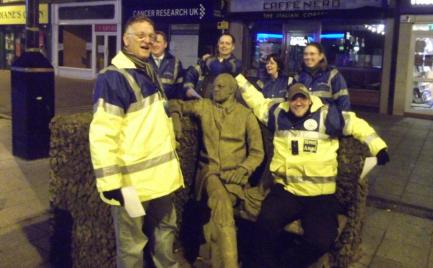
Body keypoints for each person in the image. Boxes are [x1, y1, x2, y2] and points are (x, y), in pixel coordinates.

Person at [234, 74, 389, 268]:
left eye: (302, 98)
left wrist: (378, 147)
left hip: (320, 196)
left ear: (309, 99)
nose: (298, 103)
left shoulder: (327, 115)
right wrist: (238, 77)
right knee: (264, 225)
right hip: (287, 191)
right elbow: (257, 102)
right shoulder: (277, 114)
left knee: (321, 240)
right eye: (294, 99)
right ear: (288, 100)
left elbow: (355, 124)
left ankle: (285, 263)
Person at [89, 15, 184, 268]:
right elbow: (102, 133)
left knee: (166, 230)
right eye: (140, 35)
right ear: (125, 39)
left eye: (151, 36)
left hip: (160, 180)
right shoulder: (112, 77)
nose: (147, 40)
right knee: (132, 247)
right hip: (131, 184)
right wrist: (110, 182)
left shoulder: (148, 69)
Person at [170, 73, 264, 268]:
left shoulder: (246, 115)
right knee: (221, 202)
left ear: (232, 90)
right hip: (209, 173)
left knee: (222, 210)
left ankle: (213, 258)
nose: (216, 89)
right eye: (215, 86)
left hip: (235, 179)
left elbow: (257, 152)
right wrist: (176, 118)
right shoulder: (204, 106)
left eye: (221, 86)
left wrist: (244, 168)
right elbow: (174, 104)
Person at [183, 33, 242, 99]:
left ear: (233, 47)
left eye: (227, 43)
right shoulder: (212, 59)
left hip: (225, 103)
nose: (224, 46)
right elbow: (192, 71)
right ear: (218, 45)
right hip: (205, 100)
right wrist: (188, 87)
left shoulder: (236, 63)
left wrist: (208, 59)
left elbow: (219, 69)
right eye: (221, 43)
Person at [296, 42, 351, 111]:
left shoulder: (333, 75)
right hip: (304, 121)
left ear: (321, 56)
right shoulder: (299, 76)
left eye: (312, 54)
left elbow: (343, 103)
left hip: (327, 120)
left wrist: (341, 120)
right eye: (305, 54)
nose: (308, 57)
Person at [148, 31, 184, 99]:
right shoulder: (143, 62)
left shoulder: (176, 62)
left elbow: (180, 89)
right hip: (148, 106)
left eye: (158, 42)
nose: (154, 45)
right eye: (152, 42)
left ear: (165, 44)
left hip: (169, 106)